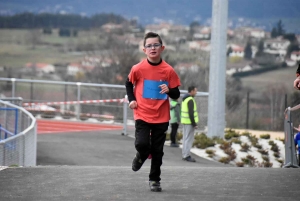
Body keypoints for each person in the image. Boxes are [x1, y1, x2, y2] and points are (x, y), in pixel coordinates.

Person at [125, 32, 181, 192]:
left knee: (158, 151)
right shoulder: (138, 68)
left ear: (162, 48)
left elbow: (176, 94)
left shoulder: (168, 70)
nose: (153, 48)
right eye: (149, 46)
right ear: (144, 50)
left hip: (161, 116)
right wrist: (131, 99)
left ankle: (154, 180)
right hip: (142, 113)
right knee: (141, 143)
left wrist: (169, 90)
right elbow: (128, 83)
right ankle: (141, 156)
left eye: (156, 45)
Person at [181, 86, 198, 162]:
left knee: (185, 139)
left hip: (185, 121)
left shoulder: (185, 99)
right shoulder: (190, 100)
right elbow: (191, 113)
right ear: (191, 91)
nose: (196, 92)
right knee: (188, 139)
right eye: (195, 91)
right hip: (189, 122)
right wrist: (194, 123)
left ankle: (184, 154)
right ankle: (187, 155)